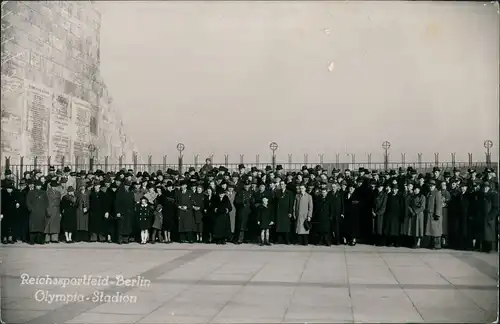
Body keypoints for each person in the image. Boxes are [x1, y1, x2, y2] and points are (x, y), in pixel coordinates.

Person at [26, 180, 48, 245]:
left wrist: (44, 209)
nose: (38, 187)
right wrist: (31, 209)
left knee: (41, 227)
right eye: (37, 185)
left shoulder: (44, 193)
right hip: (34, 212)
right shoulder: (31, 192)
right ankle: (32, 241)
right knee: (33, 227)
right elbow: (28, 202)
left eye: (40, 185)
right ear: (35, 186)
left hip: (41, 212)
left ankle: (40, 240)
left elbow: (46, 202)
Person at [425, 180, 443, 249]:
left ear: (435, 186)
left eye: (432, 186)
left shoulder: (437, 193)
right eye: (430, 186)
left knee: (436, 230)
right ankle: (432, 244)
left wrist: (437, 214)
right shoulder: (429, 193)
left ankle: (437, 245)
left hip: (435, 215)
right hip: (430, 214)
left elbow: (438, 204)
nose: (430, 187)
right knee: (431, 230)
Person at [274, 180, 294, 245]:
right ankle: (279, 240)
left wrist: (290, 212)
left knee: (286, 227)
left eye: (283, 184)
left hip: (286, 212)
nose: (281, 185)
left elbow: (291, 203)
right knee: (279, 226)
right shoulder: (277, 192)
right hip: (279, 211)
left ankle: (287, 240)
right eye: (281, 184)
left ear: (285, 185)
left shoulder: (289, 193)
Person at [372, 182, 387, 246]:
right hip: (374, 213)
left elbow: (383, 206)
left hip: (380, 214)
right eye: (378, 187)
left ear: (382, 187)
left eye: (380, 187)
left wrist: (377, 213)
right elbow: (372, 203)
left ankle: (380, 242)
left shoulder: (384, 195)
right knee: (374, 228)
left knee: (380, 228)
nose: (379, 188)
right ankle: (375, 241)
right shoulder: (375, 194)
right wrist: (372, 211)